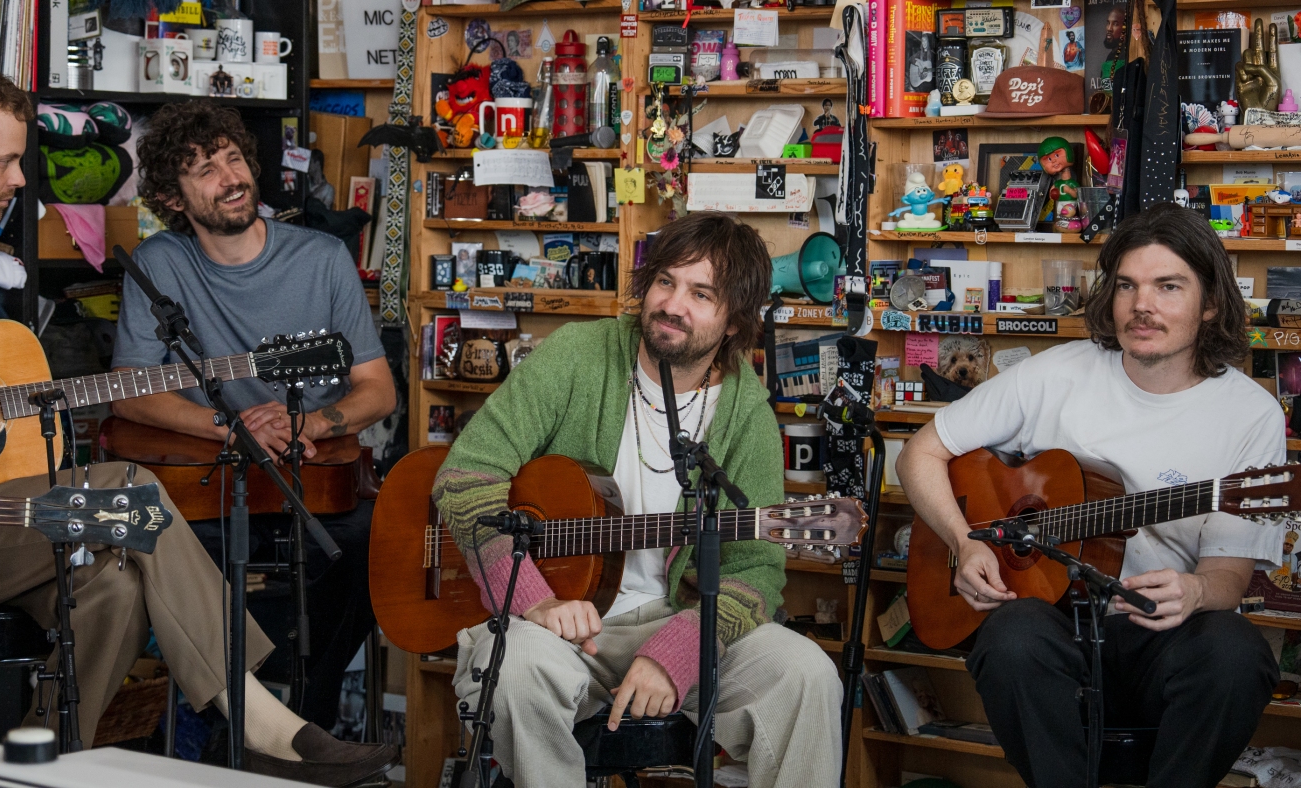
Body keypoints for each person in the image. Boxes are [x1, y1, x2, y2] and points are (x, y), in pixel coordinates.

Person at [0, 66, 396, 786]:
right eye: (6, 161)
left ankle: (31, 764)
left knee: (117, 586)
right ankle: (262, 724)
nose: (19, 180)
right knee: (128, 491)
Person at [432, 211, 842, 787]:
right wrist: (533, 598)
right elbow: (465, 477)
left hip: (676, 621)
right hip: (553, 628)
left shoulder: (745, 411)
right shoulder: (577, 355)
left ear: (733, 322)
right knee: (519, 667)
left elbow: (756, 573)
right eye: (666, 281)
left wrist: (677, 648)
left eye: (702, 294)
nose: (673, 304)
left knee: (809, 675)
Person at [897, 203, 1282, 788]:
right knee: (1012, 637)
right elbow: (919, 452)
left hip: (1158, 631)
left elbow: (1227, 577)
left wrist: (1198, 590)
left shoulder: (1248, 414)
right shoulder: (1057, 373)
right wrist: (964, 541)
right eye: (1126, 285)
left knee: (1236, 653)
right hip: (1054, 618)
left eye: (1167, 287)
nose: (1141, 305)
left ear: (1210, 304)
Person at [109, 101, 396, 736]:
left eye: (234, 158)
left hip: (311, 474)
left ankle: (304, 726)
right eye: (205, 169)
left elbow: (378, 391)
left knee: (376, 550)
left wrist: (316, 424)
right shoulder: (159, 265)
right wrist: (231, 429)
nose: (230, 177)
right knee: (161, 559)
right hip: (213, 479)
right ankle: (227, 725)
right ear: (170, 196)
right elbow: (131, 393)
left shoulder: (322, 257)